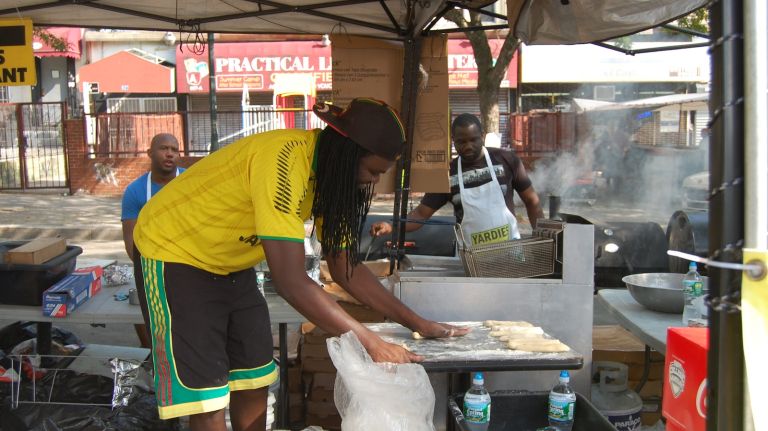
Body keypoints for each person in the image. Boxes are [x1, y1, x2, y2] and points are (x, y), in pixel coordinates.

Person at [132, 98, 468, 430]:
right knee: (208, 398)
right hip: (174, 254)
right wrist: (371, 342)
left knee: (254, 377)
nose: (372, 182)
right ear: (347, 153)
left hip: (230, 266)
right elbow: (291, 281)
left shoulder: (334, 179)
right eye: (372, 171)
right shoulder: (283, 161)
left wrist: (418, 322)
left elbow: (345, 267)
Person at [370, 113, 544, 248]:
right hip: (474, 259)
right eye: (461, 141)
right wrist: (391, 226)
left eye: (473, 140)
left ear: (482, 136)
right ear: (453, 141)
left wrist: (541, 237)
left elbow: (532, 201)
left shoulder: (506, 159)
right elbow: (421, 214)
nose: (468, 146)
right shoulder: (448, 174)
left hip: (511, 251)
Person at [120, 133, 184, 348]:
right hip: (152, 263)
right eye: (164, 148)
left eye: (175, 150)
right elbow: (130, 239)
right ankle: (153, 356)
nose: (170, 154)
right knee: (145, 314)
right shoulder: (135, 191)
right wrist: (146, 271)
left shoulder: (192, 182)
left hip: (190, 262)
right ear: (150, 153)